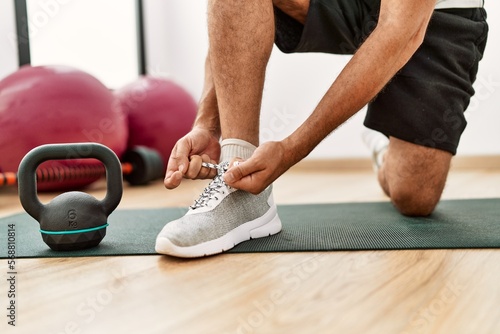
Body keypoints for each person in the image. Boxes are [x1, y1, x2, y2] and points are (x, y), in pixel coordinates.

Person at [155, 0, 488, 258]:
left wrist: (291, 149)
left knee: (415, 197)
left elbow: (400, 31)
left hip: (437, 14)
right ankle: (238, 177)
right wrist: (209, 125)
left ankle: (381, 145)